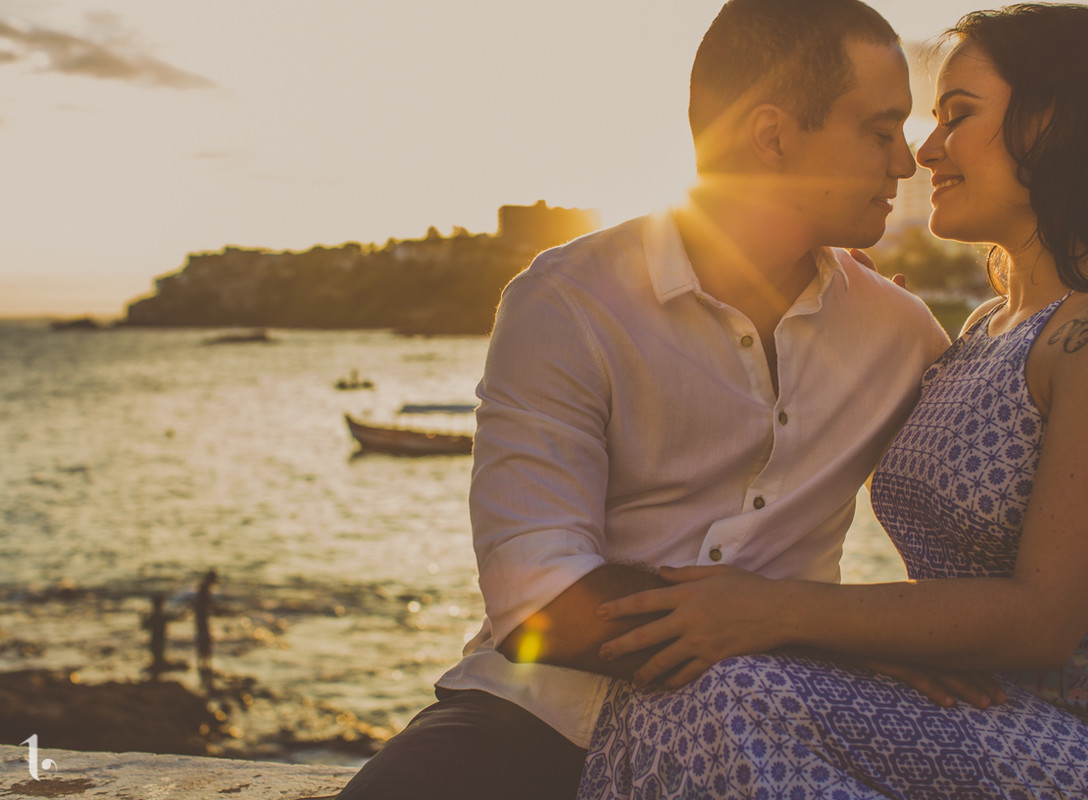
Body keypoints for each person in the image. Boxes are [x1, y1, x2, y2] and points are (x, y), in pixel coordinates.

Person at [337, 2, 965, 798]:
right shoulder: (567, 301)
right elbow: (542, 602)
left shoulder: (898, 331)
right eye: (880, 130)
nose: (906, 163)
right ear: (772, 137)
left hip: (781, 714)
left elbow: (990, 508)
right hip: (540, 711)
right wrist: (798, 629)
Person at [578, 5, 1088, 798]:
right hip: (980, 710)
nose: (925, 152)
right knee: (674, 688)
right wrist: (842, 324)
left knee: (729, 694)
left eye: (957, 116)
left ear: (1052, 125)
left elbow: (1045, 618)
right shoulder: (983, 329)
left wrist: (775, 611)